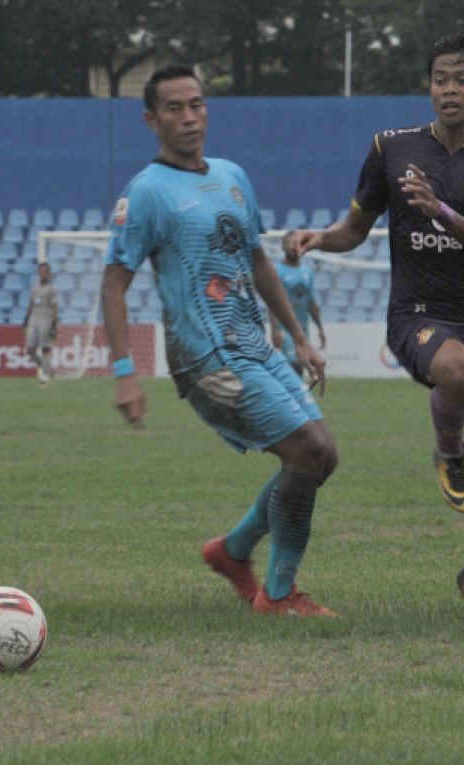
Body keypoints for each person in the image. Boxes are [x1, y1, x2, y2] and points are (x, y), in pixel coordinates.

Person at [285, 33, 464, 624]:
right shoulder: (391, 148)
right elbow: (355, 228)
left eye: (462, 79)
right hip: (418, 314)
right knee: (458, 369)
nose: (448, 89)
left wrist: (440, 210)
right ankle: (448, 454)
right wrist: (320, 238)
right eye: (440, 78)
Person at [103, 65, 340, 617]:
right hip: (205, 358)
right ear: (151, 119)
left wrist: (300, 339)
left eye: (197, 105)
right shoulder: (146, 193)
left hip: (255, 346)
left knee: (323, 456)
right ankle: (277, 597)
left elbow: (257, 259)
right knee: (307, 451)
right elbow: (114, 286)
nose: (189, 117)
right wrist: (123, 372)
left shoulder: (233, 175)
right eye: (174, 108)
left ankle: (232, 553)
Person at [268, 249, 326, 377]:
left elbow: (311, 302)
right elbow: (272, 301)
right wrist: (275, 329)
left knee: (300, 365)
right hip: (285, 327)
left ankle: (292, 395)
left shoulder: (307, 272)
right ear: (284, 247)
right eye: (290, 245)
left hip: (302, 328)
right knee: (294, 367)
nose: (293, 248)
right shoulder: (276, 271)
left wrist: (320, 328)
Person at [21, 261, 59, 386]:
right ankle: (48, 369)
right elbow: (31, 303)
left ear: (49, 273)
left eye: (46, 272)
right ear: (38, 273)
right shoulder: (34, 287)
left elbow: (54, 306)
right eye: (41, 272)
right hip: (33, 320)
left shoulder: (51, 289)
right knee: (30, 349)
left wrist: (54, 323)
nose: (44, 274)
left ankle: (46, 377)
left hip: (46, 320)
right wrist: (26, 319)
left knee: (45, 348)